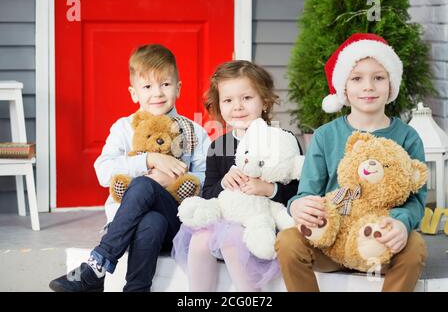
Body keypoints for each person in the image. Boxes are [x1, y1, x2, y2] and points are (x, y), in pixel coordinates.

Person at [49, 44, 210, 292]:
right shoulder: (124, 128)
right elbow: (103, 171)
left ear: (178, 88)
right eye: (147, 86)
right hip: (132, 228)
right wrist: (148, 160)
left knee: (147, 189)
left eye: (165, 84)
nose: (157, 93)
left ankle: (97, 266)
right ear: (134, 93)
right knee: (151, 220)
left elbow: (207, 180)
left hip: (175, 224)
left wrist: (176, 180)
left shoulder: (193, 131)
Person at [275, 33, 428, 292]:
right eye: (356, 78)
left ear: (391, 85)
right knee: (288, 241)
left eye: (378, 77)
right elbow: (307, 192)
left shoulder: (407, 137)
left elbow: (416, 200)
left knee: (415, 247)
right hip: (331, 242)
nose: (368, 86)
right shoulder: (325, 136)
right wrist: (298, 205)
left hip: (380, 244)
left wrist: (401, 223)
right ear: (343, 87)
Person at [172, 60, 303, 291]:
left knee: (232, 240)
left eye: (247, 98)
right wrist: (223, 183)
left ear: (264, 101)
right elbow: (208, 193)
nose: (238, 107)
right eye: (228, 100)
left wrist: (269, 189)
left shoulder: (281, 140)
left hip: (264, 222)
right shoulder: (218, 146)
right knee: (200, 239)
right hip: (227, 217)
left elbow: (298, 191)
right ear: (219, 105)